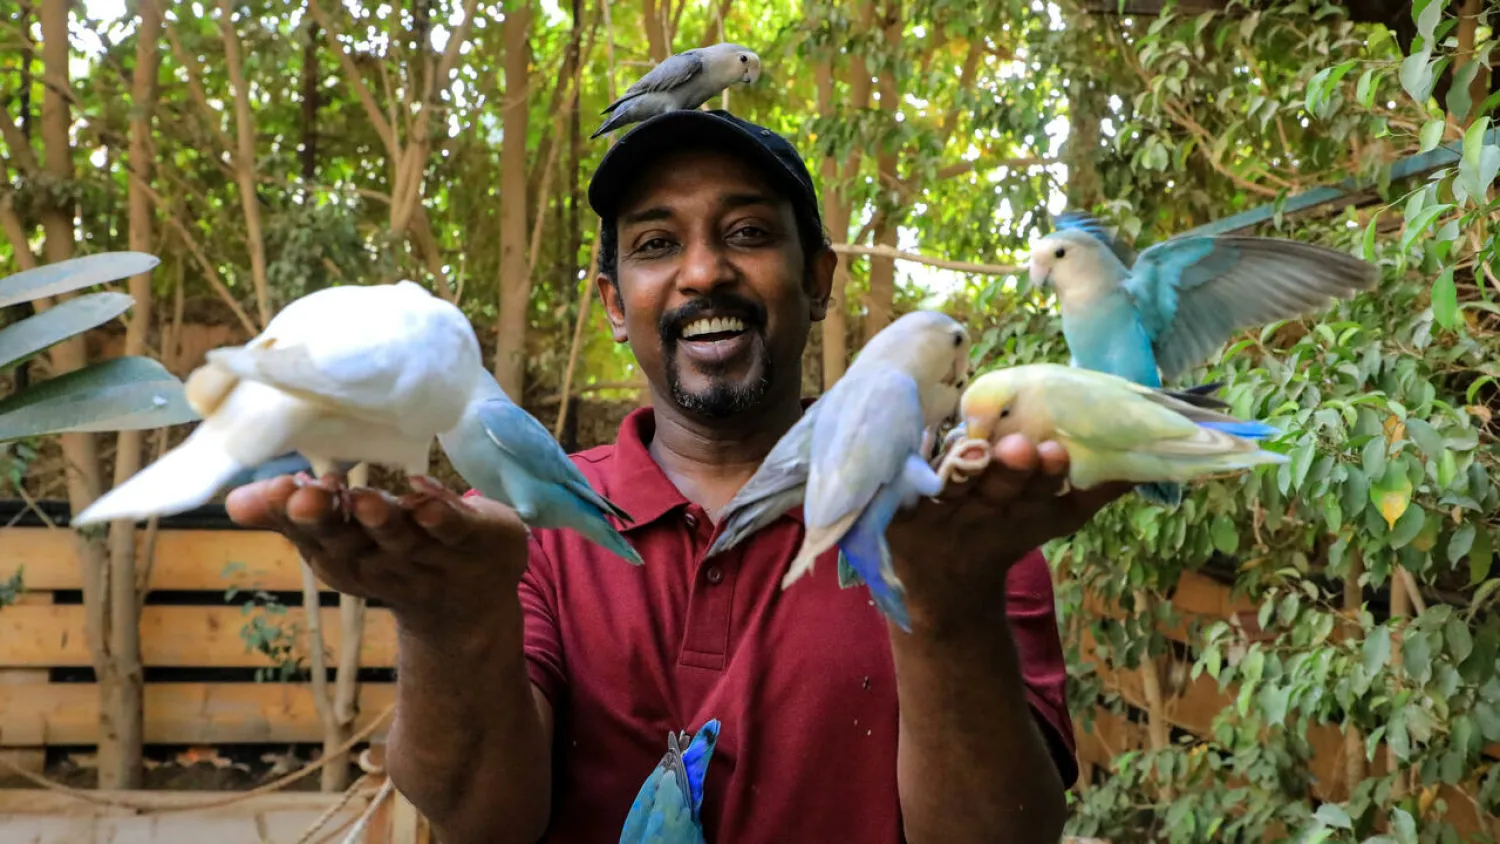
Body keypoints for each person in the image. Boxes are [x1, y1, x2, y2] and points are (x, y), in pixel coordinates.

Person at [226, 110, 1127, 843]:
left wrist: (943, 602)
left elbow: (999, 833)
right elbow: (480, 820)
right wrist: (450, 620)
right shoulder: (513, 529)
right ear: (614, 305)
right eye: (657, 243)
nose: (703, 271)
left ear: (818, 280)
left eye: (748, 233)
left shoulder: (955, 521)